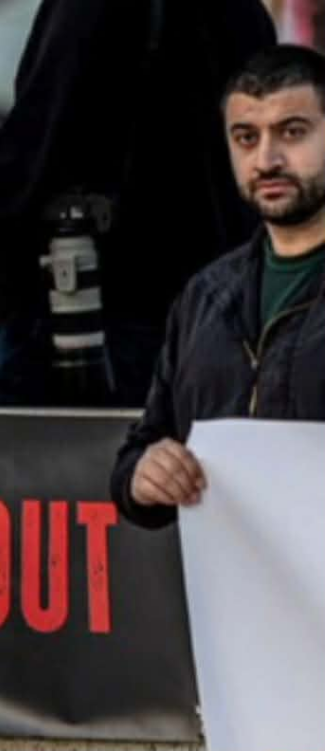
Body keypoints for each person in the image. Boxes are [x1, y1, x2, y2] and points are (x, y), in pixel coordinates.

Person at [0, 0, 276, 407]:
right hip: (207, 299)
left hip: (88, 293)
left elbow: (45, 117)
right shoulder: (242, 12)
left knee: (33, 440)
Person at [111, 44, 325, 528]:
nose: (267, 159)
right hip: (227, 572)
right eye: (246, 137)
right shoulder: (204, 297)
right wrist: (143, 475)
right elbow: (146, 444)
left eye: (293, 132)